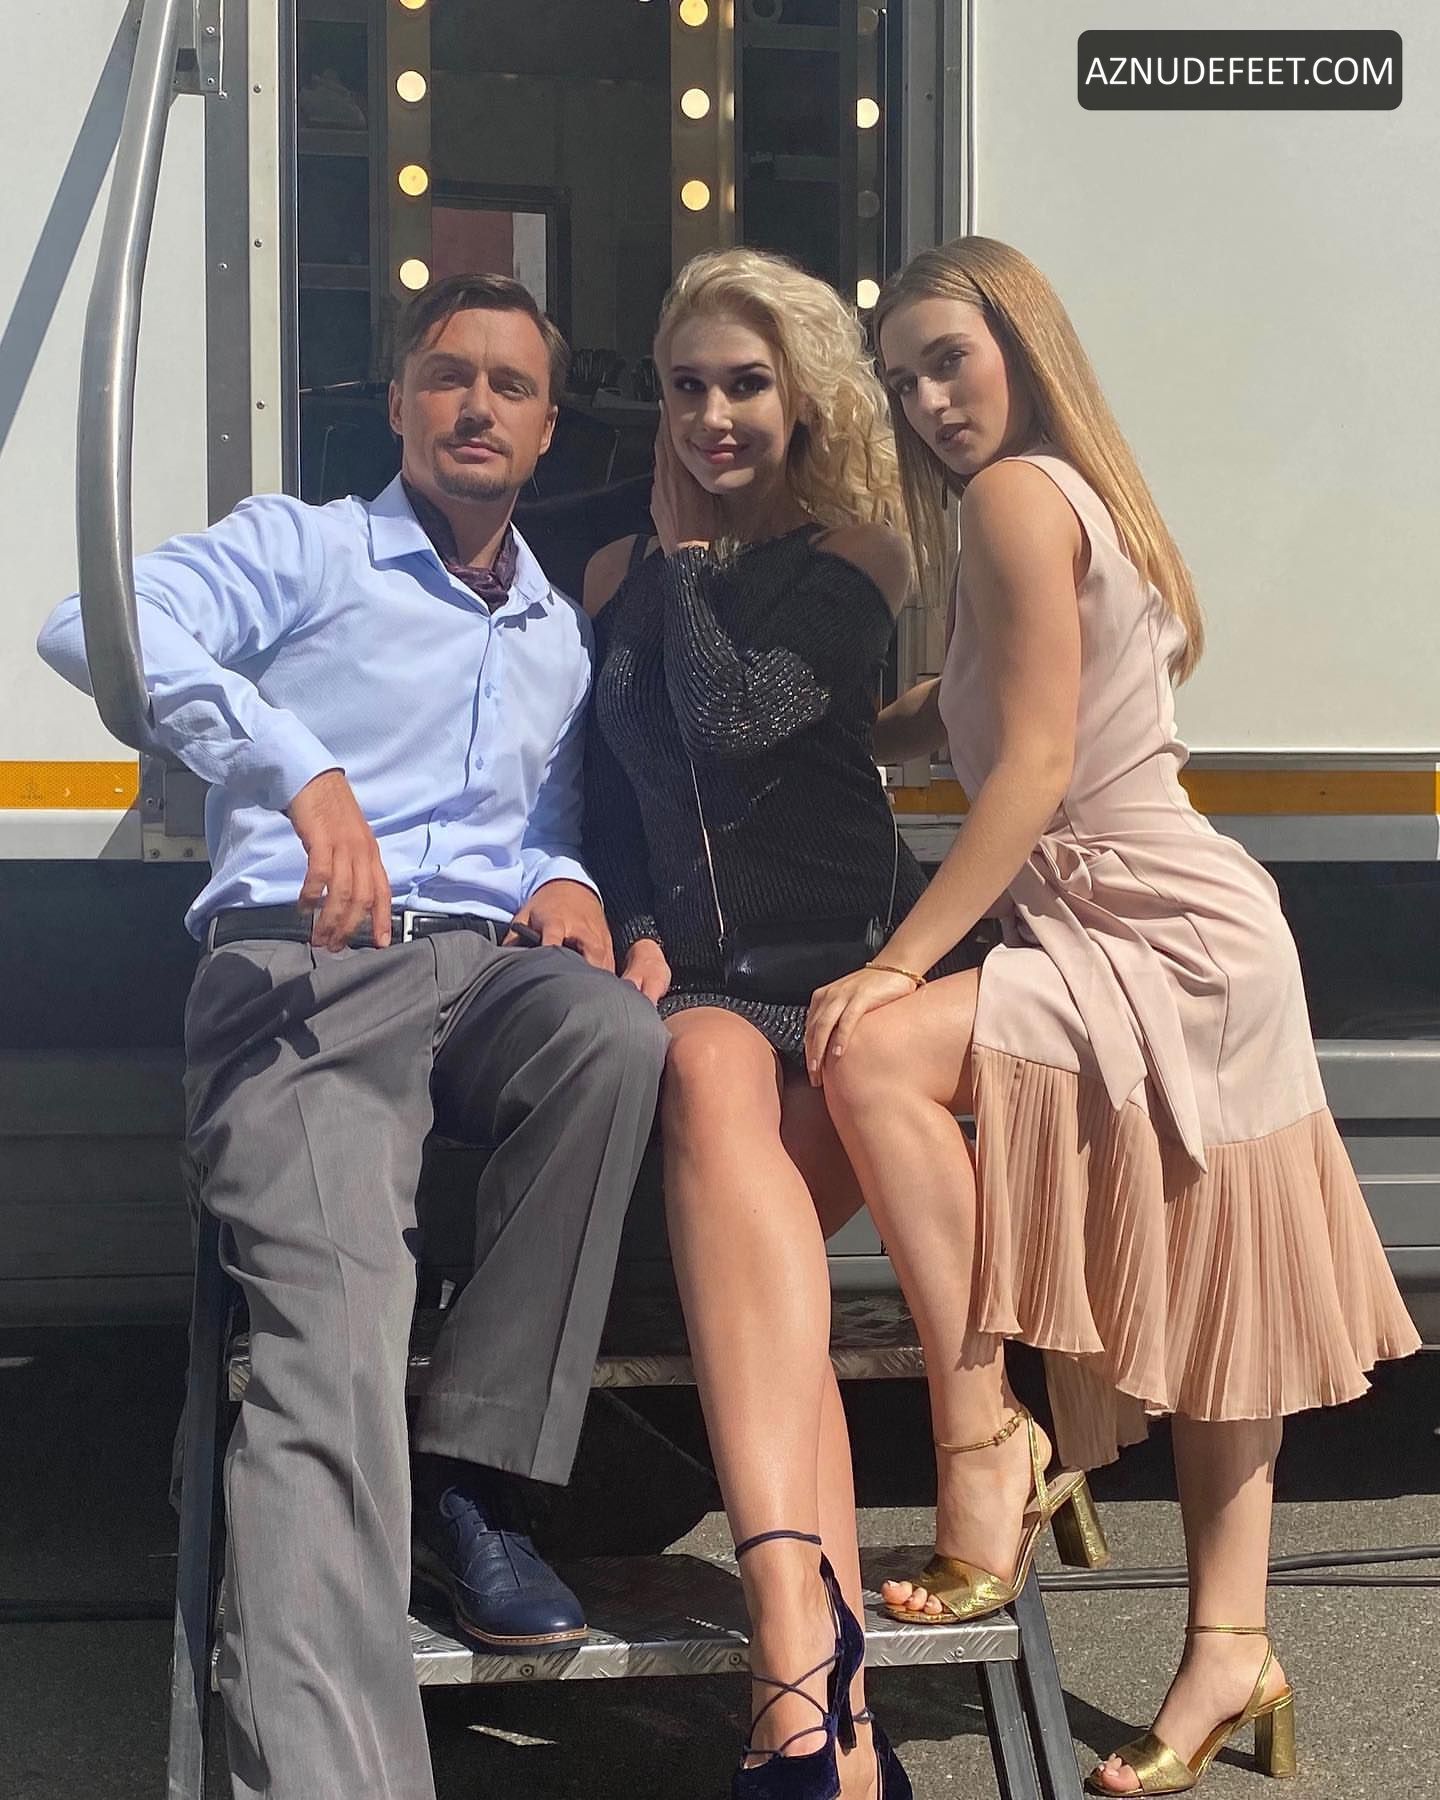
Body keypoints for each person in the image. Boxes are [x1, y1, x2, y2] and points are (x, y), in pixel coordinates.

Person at [37, 273, 668, 1800]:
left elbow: (543, 824)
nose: (475, 405)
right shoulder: (307, 546)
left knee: (614, 1038)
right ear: (397, 404)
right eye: (447, 375)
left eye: (510, 385)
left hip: (480, 975)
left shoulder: (554, 633)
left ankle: (472, 1479)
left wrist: (571, 881)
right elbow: (93, 625)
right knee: (332, 1351)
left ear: (548, 428)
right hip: (310, 975)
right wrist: (296, 765)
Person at [807, 236, 1421, 1796]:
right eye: (901, 381)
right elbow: (983, 713)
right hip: (1178, 931)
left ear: (1022, 346)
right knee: (1223, 1294)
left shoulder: (1016, 498)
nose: (928, 402)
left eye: (950, 359)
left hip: (1155, 930)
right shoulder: (1064, 499)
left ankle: (994, 1437)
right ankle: (1232, 1645)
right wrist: (841, 724)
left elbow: (1027, 772)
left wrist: (900, 961)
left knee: (876, 1053)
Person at [582, 246, 973, 1800]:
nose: (712, 416)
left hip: (847, 975)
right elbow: (613, 791)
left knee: (766, 1289)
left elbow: (738, 712)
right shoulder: (611, 573)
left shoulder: (858, 555)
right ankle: (813, 1675)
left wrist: (682, 562)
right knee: (703, 1079)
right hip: (703, 982)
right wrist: (633, 924)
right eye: (686, 387)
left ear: (800, 396)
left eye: (744, 385)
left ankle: (804, 1693)